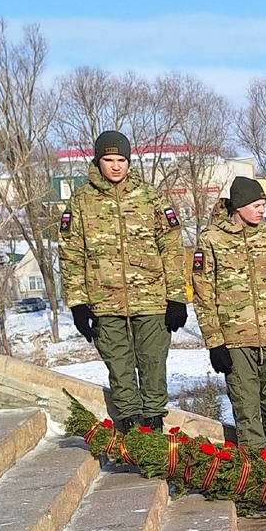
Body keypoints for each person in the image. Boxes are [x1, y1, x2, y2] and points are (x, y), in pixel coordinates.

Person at [58, 130, 188, 433]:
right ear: (98, 161)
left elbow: (171, 246)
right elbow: (70, 254)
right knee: (119, 367)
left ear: (129, 161)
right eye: (109, 159)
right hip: (104, 300)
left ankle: (154, 427)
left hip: (152, 297)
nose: (116, 166)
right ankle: (130, 430)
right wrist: (78, 303)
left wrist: (177, 296)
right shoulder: (81, 202)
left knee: (154, 363)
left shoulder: (149, 196)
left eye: (121, 160)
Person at [192, 176, 266, 454]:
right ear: (239, 206)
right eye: (256, 204)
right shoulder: (211, 240)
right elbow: (203, 293)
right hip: (235, 340)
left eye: (263, 204)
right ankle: (254, 471)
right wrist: (214, 342)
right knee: (246, 407)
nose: (261, 210)